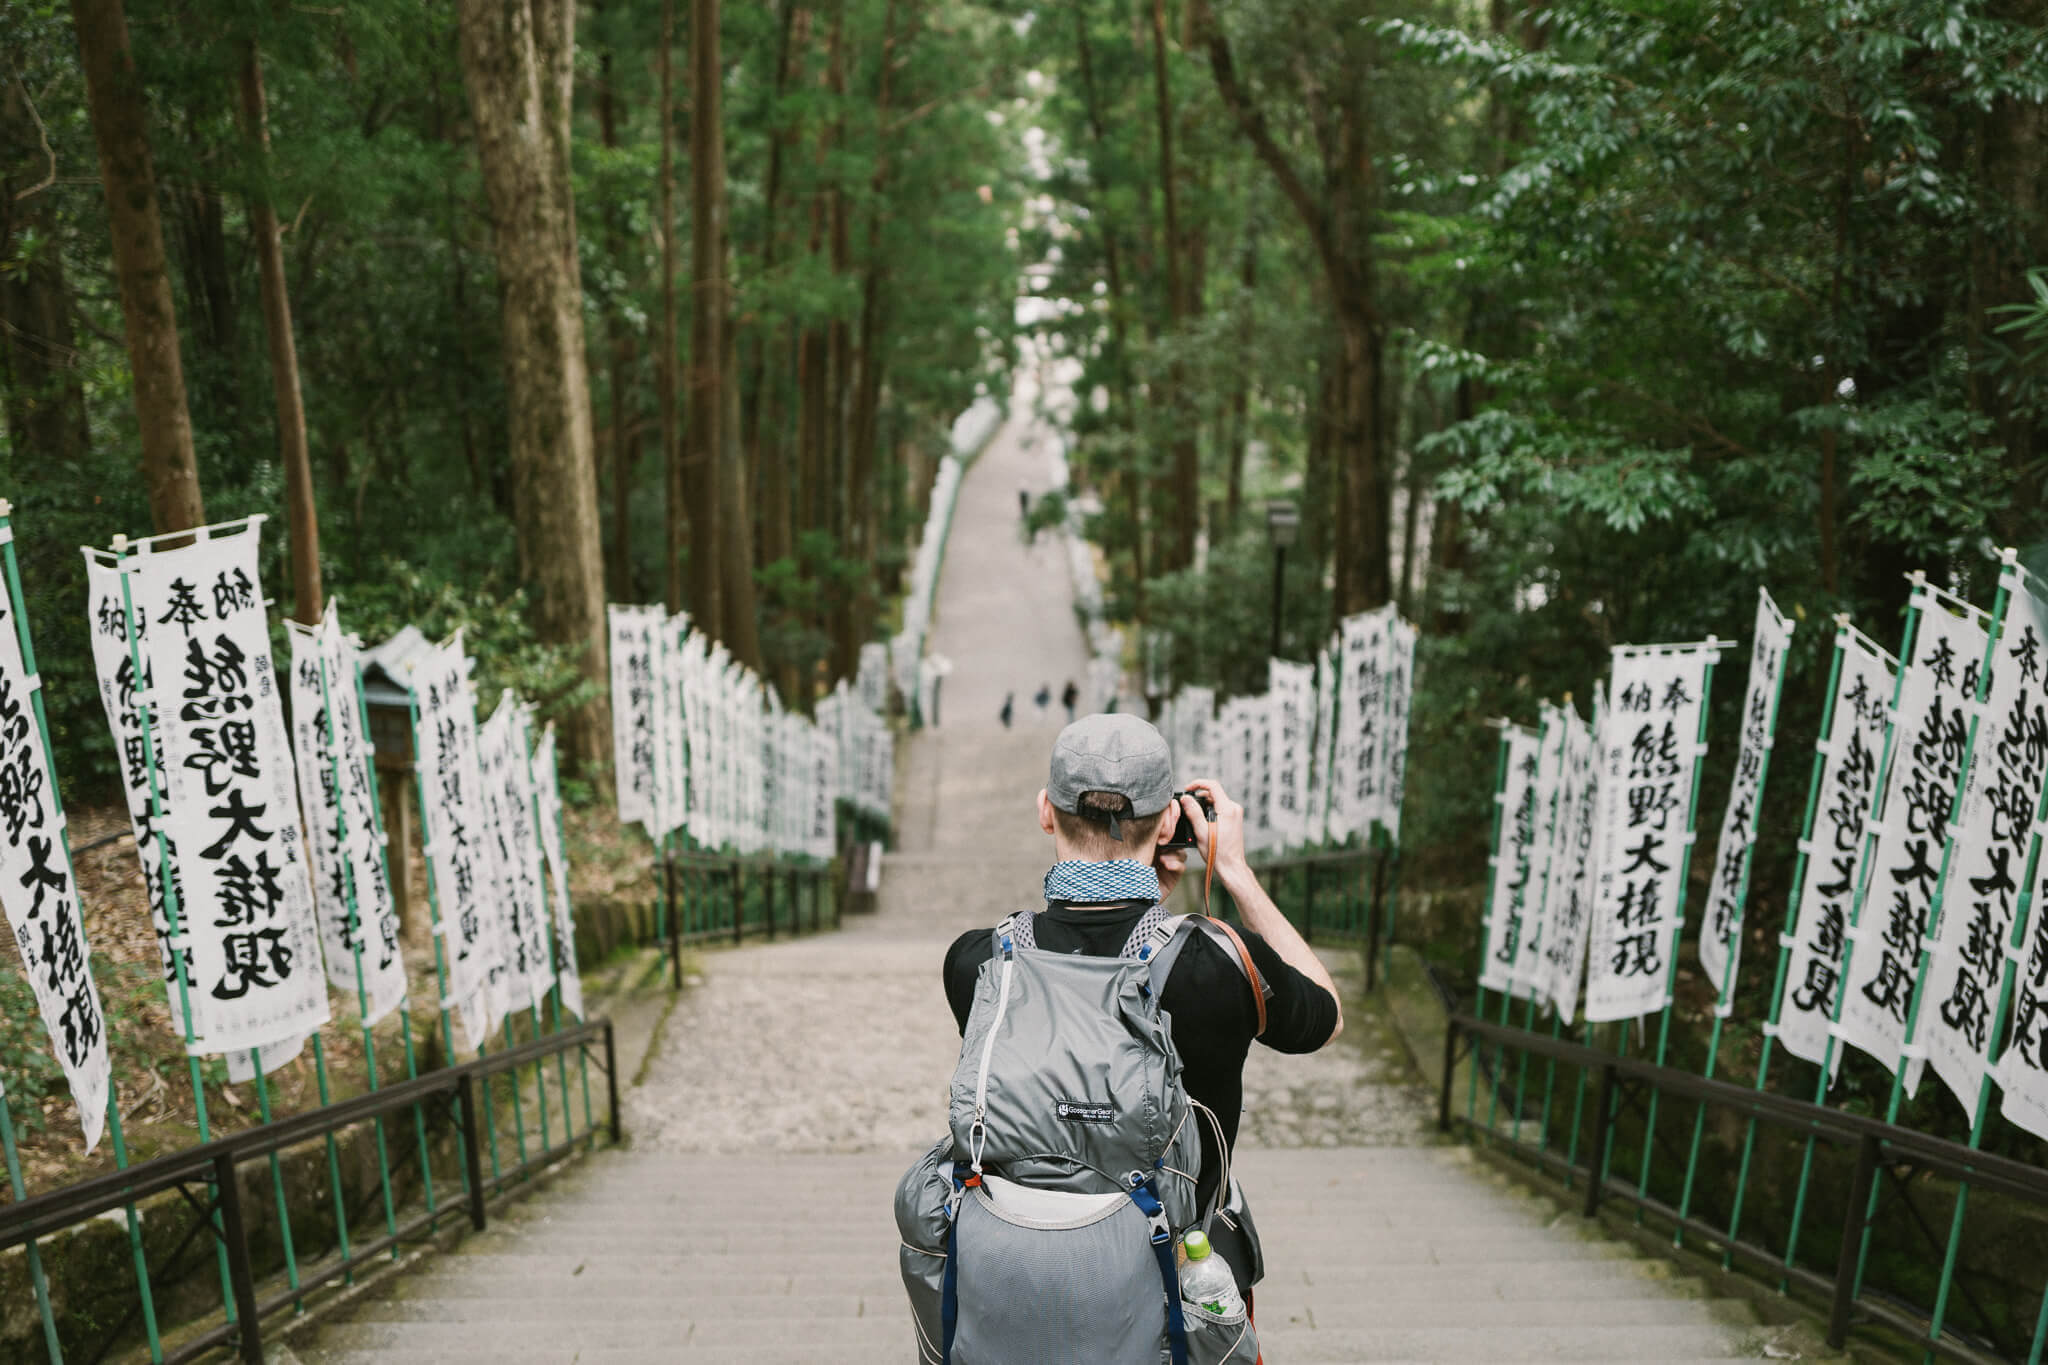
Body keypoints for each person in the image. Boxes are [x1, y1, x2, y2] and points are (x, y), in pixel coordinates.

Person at [941, 715, 1343, 1309]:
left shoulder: (979, 963)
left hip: (1019, 1290)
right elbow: (1323, 1017)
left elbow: (1084, 967)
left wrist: (1150, 901)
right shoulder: (1216, 964)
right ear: (1171, 822)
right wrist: (1232, 870)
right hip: (1177, 1291)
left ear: (1046, 811)